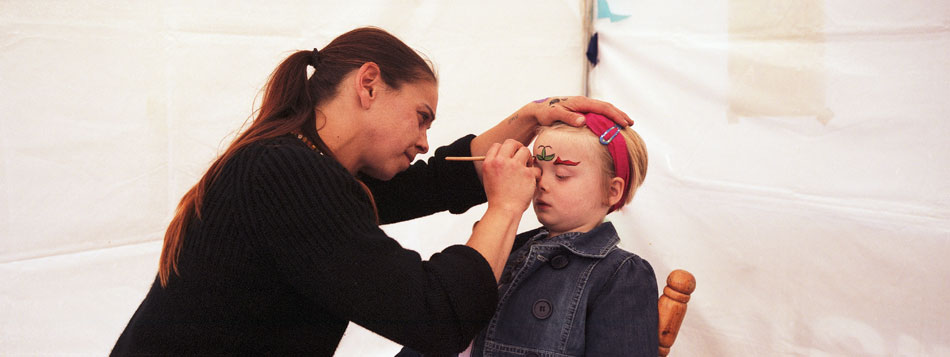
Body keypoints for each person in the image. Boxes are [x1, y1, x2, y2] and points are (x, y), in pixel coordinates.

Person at [111, 27, 633, 355]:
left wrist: (524, 119)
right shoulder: (284, 175)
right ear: (368, 84)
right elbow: (437, 316)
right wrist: (502, 209)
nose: (424, 141)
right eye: (421, 117)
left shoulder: (298, 162)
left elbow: (428, 181)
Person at [398, 113, 656, 356]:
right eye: (537, 168)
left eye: (562, 174)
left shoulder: (621, 275)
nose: (541, 182)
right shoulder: (509, 247)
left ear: (612, 191)